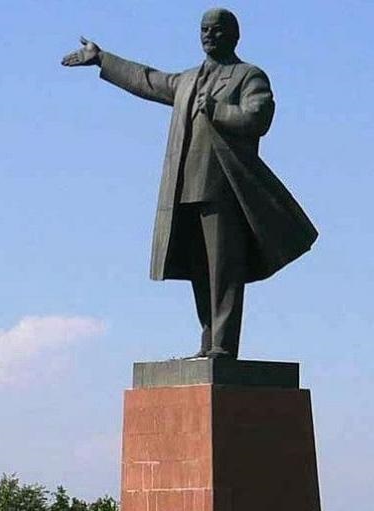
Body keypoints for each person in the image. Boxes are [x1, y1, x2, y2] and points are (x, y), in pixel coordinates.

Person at [61, 8, 317, 359]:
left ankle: (223, 346)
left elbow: (258, 118)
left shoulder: (248, 75)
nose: (209, 35)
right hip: (186, 189)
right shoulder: (187, 80)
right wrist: (102, 58)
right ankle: (208, 342)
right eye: (204, 30)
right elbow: (148, 80)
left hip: (224, 189)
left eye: (217, 30)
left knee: (225, 270)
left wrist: (218, 109)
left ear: (234, 35)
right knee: (201, 272)